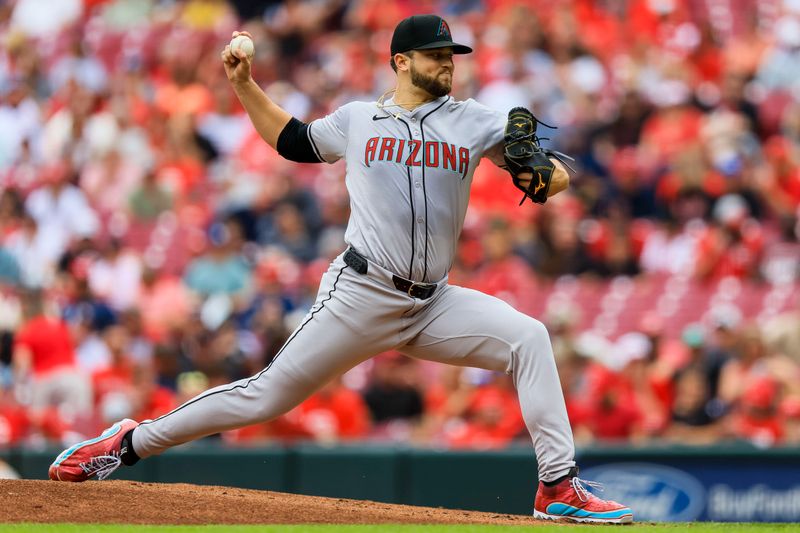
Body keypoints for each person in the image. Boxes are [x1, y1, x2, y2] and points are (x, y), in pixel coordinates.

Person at [48, 14, 632, 524]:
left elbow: (551, 176)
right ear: (401, 62)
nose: (448, 66)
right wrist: (245, 85)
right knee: (264, 397)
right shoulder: (358, 120)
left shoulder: (476, 120)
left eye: (452, 56)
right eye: (436, 56)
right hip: (361, 293)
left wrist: (545, 172)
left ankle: (557, 487)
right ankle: (128, 444)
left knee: (528, 337)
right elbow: (294, 141)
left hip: (432, 302)